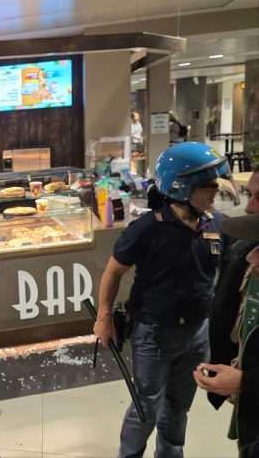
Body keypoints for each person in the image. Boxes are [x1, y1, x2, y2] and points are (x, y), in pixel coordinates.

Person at [93, 142, 239, 458]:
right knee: (146, 406)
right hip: (154, 334)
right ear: (180, 186)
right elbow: (113, 271)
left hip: (197, 334)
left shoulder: (216, 224)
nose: (215, 190)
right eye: (207, 184)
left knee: (178, 406)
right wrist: (103, 318)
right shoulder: (147, 228)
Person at [194, 166, 259, 456]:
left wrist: (245, 381)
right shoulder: (244, 255)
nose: (249, 207)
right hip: (250, 412)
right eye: (249, 195)